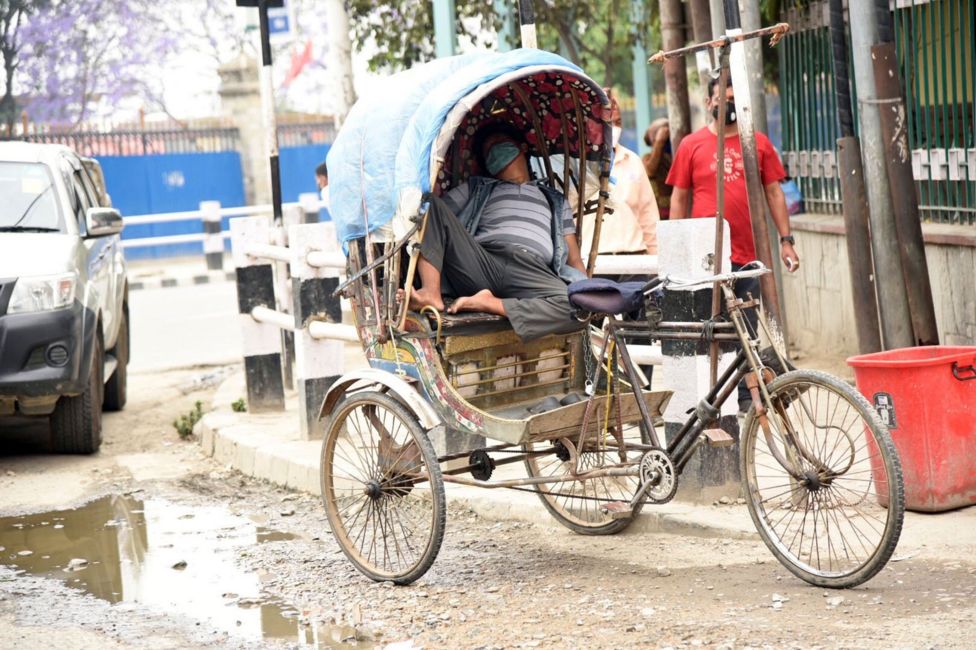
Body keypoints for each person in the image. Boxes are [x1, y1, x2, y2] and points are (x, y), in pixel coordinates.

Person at [666, 75, 800, 411]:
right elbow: (679, 198)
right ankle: (709, 398)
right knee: (709, 328)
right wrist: (675, 248)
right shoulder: (690, 146)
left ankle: (745, 396)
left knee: (747, 329)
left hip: (747, 255)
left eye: (731, 99)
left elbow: (774, 192)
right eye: (719, 98)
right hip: (704, 260)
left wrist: (786, 240)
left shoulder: (758, 144)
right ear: (709, 102)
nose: (725, 105)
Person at [402, 122, 587, 342]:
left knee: (578, 308)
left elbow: (574, 259)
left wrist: (589, 289)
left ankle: (492, 303)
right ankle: (430, 293)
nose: (495, 152)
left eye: (500, 143)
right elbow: (428, 218)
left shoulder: (554, 199)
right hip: (481, 262)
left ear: (522, 148)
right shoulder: (478, 187)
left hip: (531, 269)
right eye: (488, 151)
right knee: (428, 204)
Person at [577, 91, 658, 261]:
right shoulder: (575, 164)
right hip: (592, 260)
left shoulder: (632, 160)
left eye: (618, 122)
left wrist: (655, 259)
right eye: (607, 122)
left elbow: (648, 216)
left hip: (636, 257)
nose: (614, 128)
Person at [642, 118, 673, 220]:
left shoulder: (671, 157)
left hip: (673, 211)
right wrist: (659, 142)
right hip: (658, 214)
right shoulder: (647, 158)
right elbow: (650, 169)